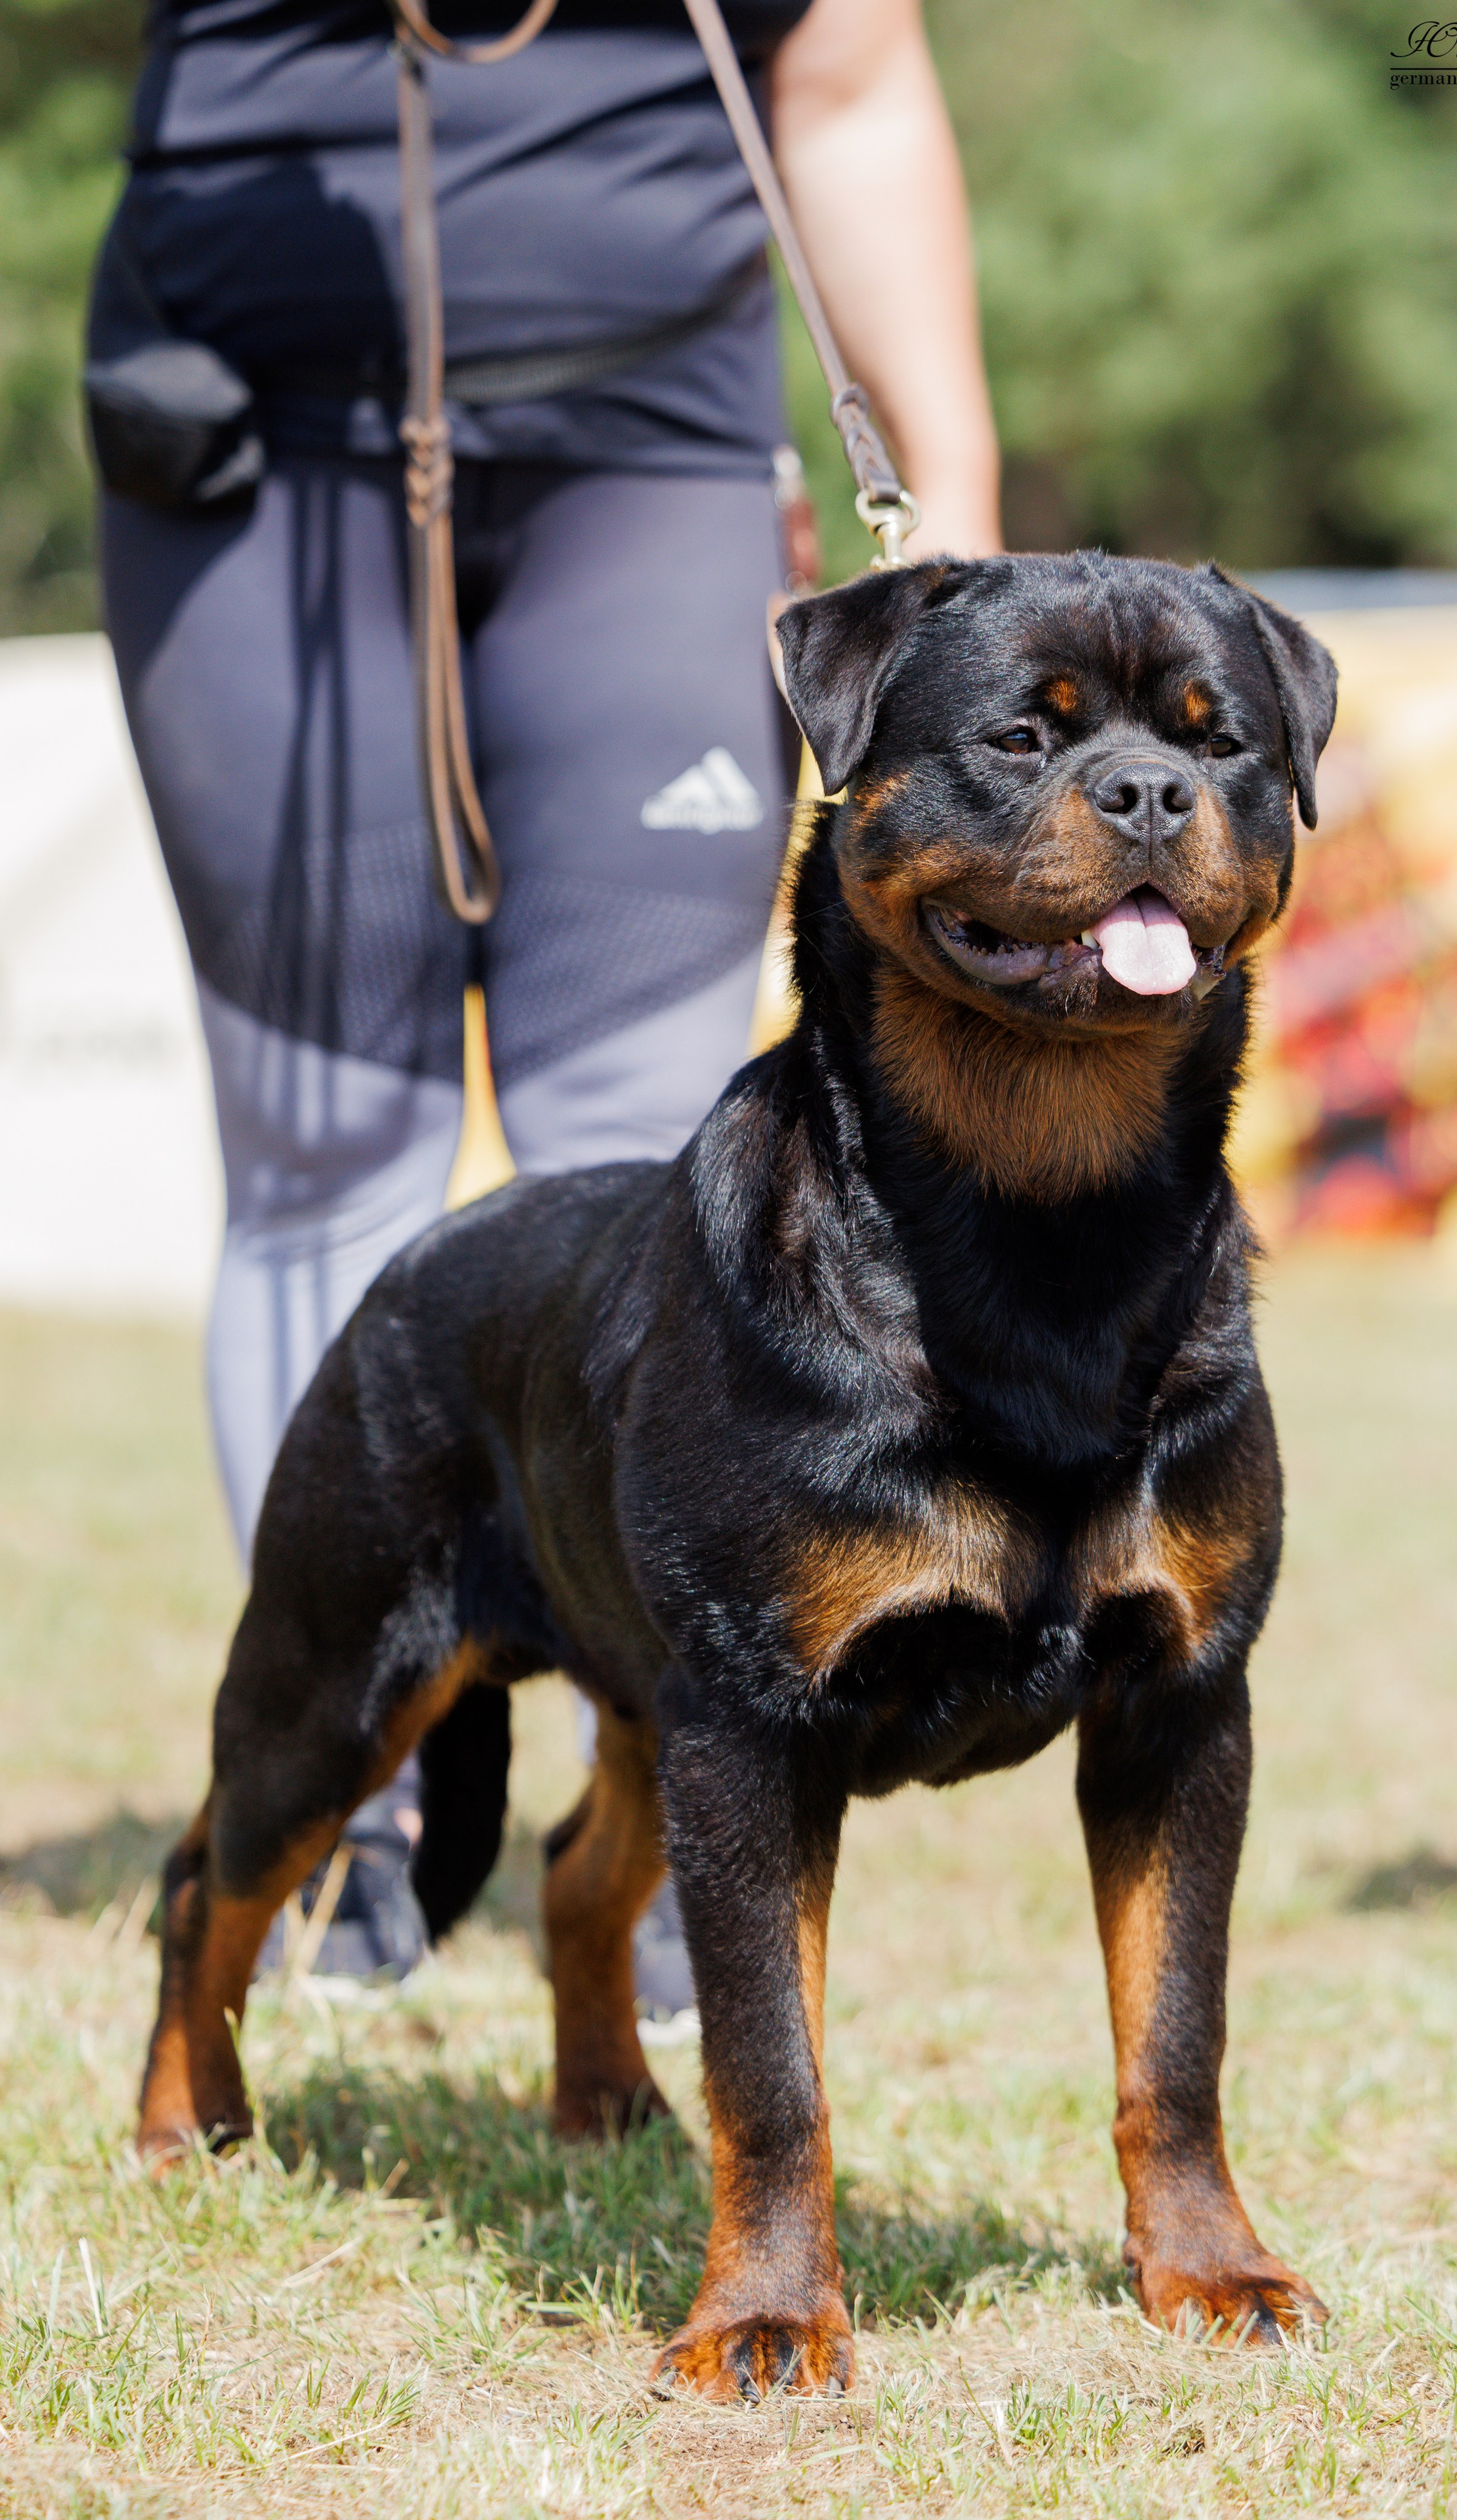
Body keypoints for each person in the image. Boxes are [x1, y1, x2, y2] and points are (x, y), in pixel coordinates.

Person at [92, 0, 1001, 1984]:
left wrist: (951, 487)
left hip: (649, 460)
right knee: (329, 1149)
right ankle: (356, 1812)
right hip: (249, 453)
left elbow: (842, 74)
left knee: (639, 1159)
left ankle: (674, 1799)